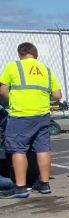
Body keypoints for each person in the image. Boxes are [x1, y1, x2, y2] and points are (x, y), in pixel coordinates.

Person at [0, 42, 62, 198]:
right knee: (43, 148)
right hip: (42, 115)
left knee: (17, 148)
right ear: (35, 54)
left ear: (20, 54)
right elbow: (57, 95)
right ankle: (44, 184)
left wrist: (7, 102)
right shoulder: (46, 70)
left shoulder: (13, 66)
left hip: (20, 114)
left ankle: (20, 187)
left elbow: (2, 91)